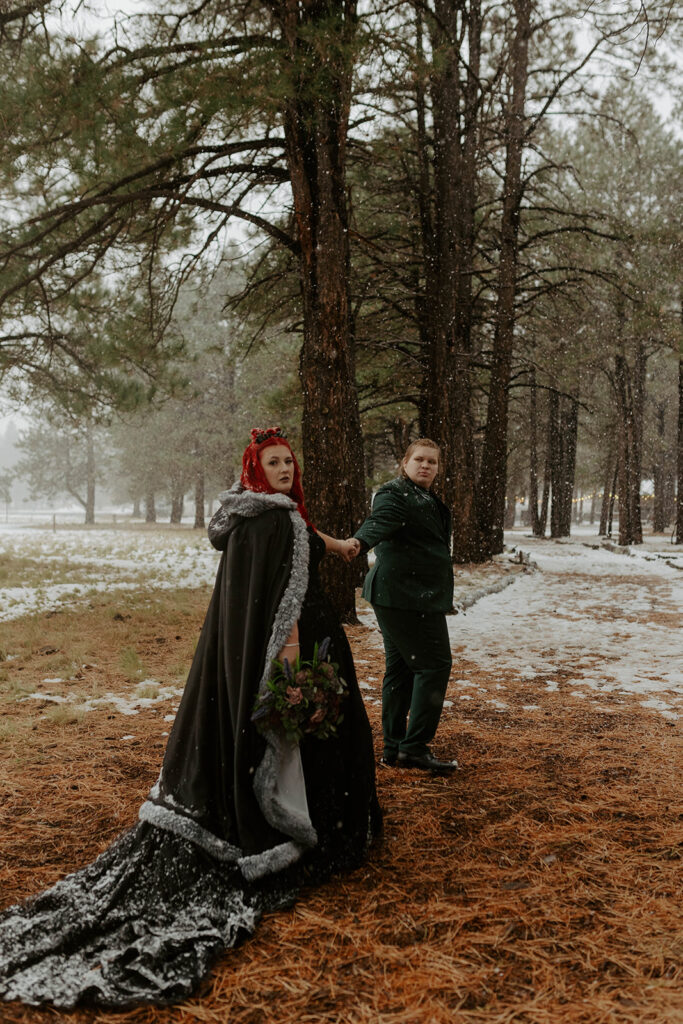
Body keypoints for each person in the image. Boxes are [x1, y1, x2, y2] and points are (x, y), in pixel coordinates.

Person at [0, 426, 381, 1009]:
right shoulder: (279, 521)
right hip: (291, 645)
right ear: (258, 470)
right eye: (274, 463)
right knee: (322, 735)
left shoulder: (250, 518)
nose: (285, 470)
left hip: (240, 652)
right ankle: (306, 825)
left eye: (289, 462)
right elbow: (287, 596)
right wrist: (293, 664)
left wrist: (339, 544)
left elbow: (301, 541)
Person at [350, 438, 456, 773]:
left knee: (401, 669)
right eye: (419, 460)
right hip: (406, 596)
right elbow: (379, 521)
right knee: (435, 665)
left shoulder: (423, 495)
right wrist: (359, 541)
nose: (426, 466)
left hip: (402, 595)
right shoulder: (395, 494)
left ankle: (395, 748)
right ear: (405, 462)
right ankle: (413, 748)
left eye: (432, 462)